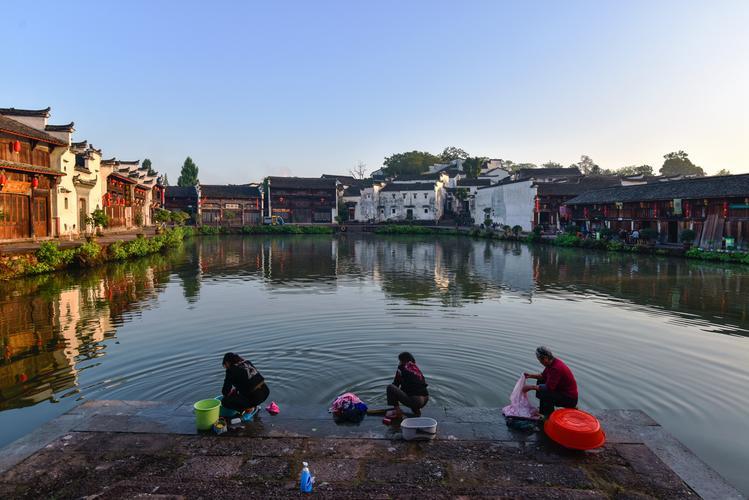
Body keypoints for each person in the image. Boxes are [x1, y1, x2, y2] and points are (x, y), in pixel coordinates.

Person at [522, 346, 578, 418]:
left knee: (544, 391)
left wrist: (530, 387)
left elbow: (549, 388)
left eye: (540, 360)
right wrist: (530, 376)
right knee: (541, 381)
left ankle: (547, 416)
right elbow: (543, 376)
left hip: (570, 399)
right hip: (562, 393)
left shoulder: (556, 368)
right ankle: (544, 410)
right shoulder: (551, 363)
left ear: (545, 358)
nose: (540, 362)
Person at [386, 352, 429, 418]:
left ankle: (398, 412)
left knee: (390, 388)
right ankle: (417, 412)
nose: (399, 362)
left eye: (399, 360)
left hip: (415, 400)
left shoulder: (401, 368)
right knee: (412, 390)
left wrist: (392, 399)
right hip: (425, 399)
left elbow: (395, 384)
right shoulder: (415, 368)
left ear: (402, 361)